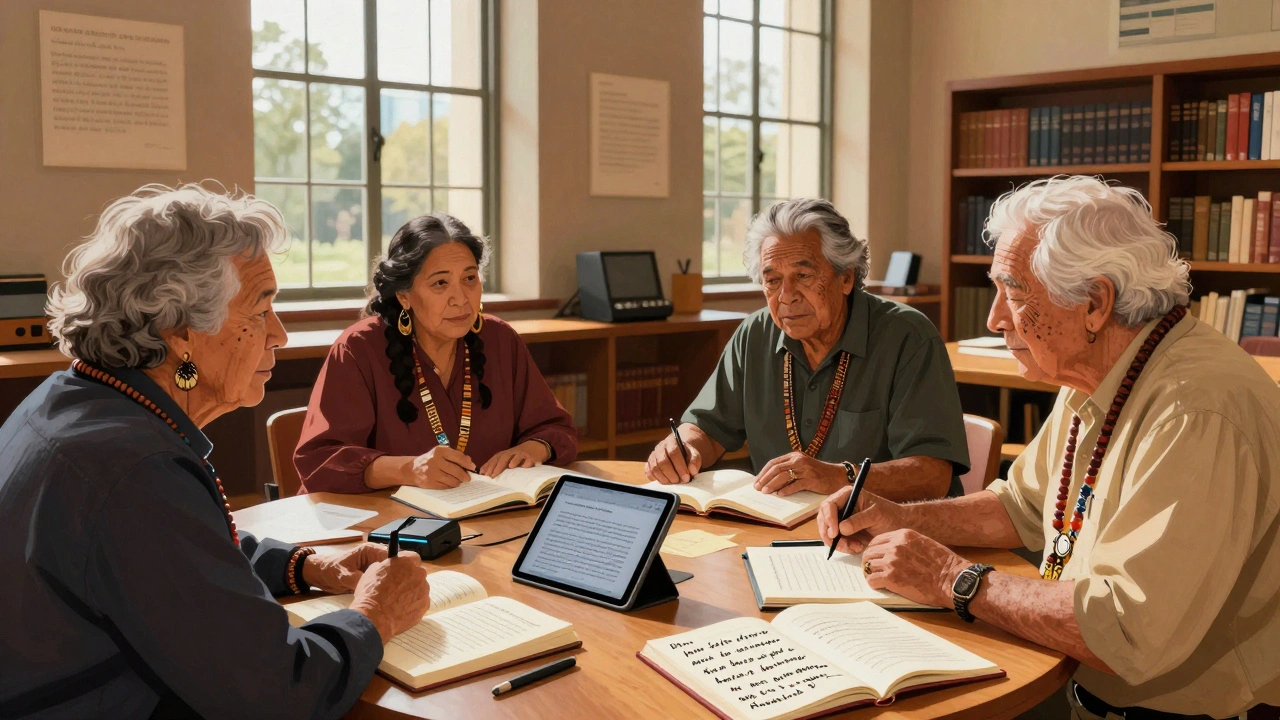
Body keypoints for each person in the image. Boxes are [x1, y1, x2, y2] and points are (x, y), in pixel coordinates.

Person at [818, 176, 1280, 719]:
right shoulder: (1101, 369)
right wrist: (901, 518)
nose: (994, 319)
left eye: (1013, 294)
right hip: (1080, 689)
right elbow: (1021, 507)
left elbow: (1125, 630)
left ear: (1095, 303)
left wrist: (949, 578)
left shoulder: (1194, 412)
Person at [0, 184, 431, 720]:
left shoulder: (71, 399)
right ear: (182, 332)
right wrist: (376, 614)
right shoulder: (136, 471)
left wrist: (308, 566)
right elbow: (277, 693)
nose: (280, 335)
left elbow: (174, 552)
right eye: (262, 309)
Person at [646, 197, 970, 501]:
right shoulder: (755, 334)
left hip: (887, 529)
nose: (787, 296)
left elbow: (932, 475)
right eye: (773, 280)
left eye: (803, 275)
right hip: (780, 525)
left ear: (845, 278)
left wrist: (838, 477)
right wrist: (683, 447)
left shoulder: (908, 337)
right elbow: (707, 429)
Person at [295, 213, 577, 493]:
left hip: (484, 512)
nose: (461, 299)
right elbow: (320, 461)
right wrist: (408, 469)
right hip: (383, 517)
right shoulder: (358, 348)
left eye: (470, 278)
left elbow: (556, 427)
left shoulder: (500, 339)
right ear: (404, 295)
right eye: (440, 283)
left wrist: (533, 448)